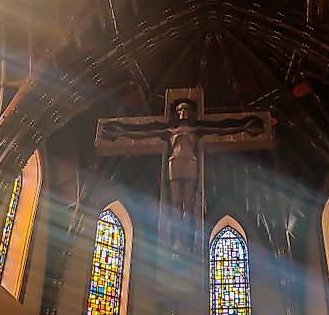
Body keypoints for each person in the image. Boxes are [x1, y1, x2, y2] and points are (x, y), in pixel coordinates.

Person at [102, 99, 264, 252]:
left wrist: (242, 128)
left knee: (188, 202)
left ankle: (187, 240)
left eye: (186, 109)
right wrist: (124, 132)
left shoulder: (196, 130)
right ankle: (176, 239)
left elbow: (219, 131)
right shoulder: (170, 131)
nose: (183, 112)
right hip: (174, 162)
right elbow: (146, 134)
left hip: (190, 161)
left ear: (192, 113)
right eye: (180, 110)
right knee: (175, 202)